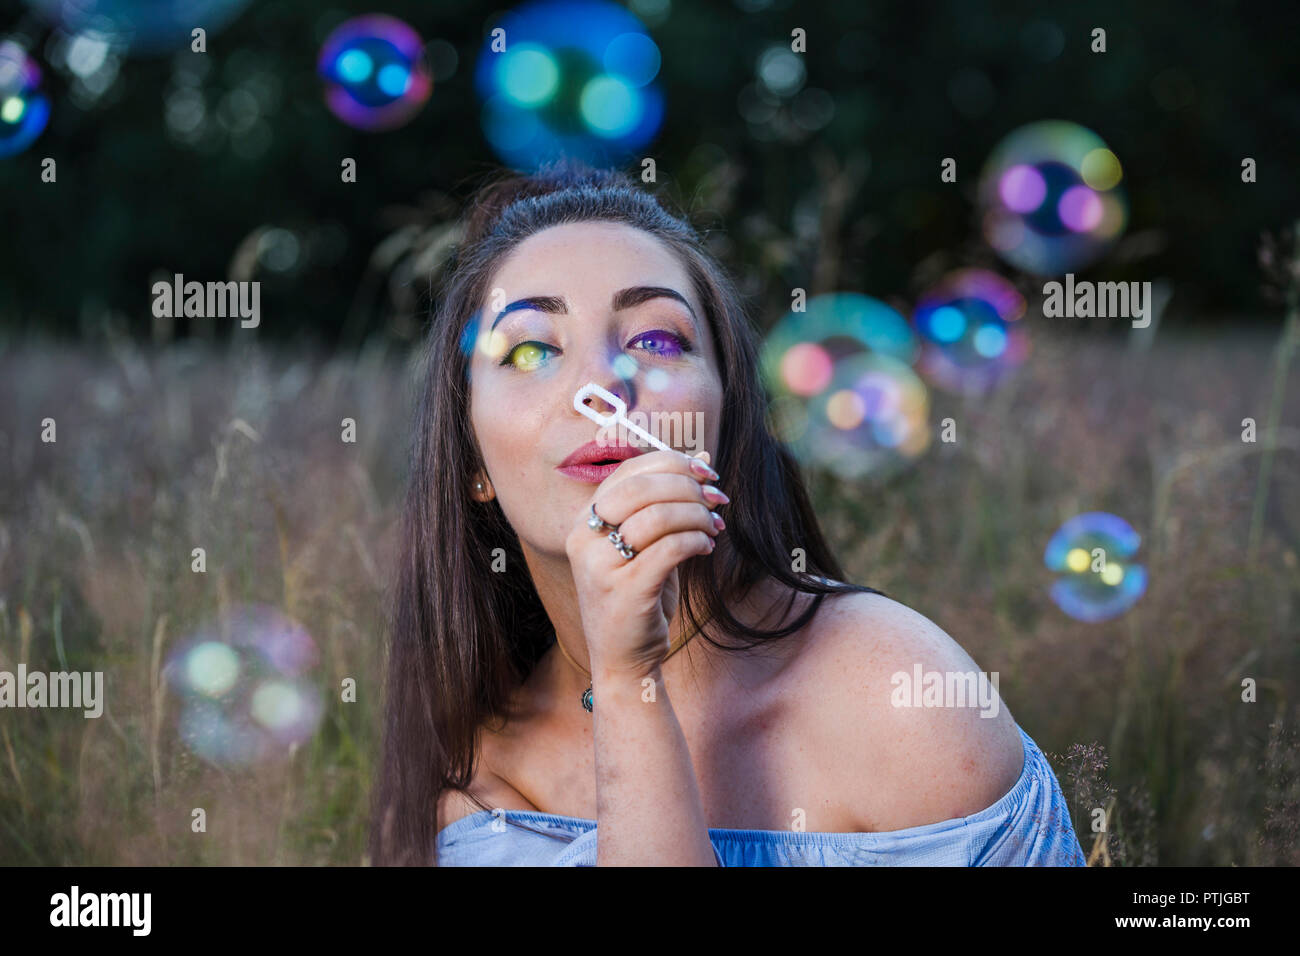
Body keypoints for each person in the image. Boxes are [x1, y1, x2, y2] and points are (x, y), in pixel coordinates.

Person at [369, 158, 1086, 867]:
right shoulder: (473, 801)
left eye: (655, 340)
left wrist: (627, 681)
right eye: (529, 350)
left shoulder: (902, 701)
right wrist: (625, 683)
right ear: (470, 461)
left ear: (730, 417)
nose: (602, 388)